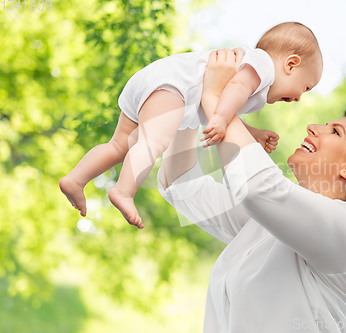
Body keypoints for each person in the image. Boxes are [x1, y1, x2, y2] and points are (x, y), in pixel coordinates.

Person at [157, 49, 346, 332]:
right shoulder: (269, 226)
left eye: (335, 132)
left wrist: (216, 98)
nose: (313, 127)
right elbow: (182, 184)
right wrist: (193, 96)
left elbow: (258, 186)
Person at [59, 22, 323, 229]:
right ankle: (124, 191)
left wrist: (252, 134)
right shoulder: (263, 65)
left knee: (118, 146)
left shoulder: (252, 86)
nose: (299, 97)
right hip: (173, 87)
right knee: (153, 143)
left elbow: (220, 103)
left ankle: (75, 179)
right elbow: (233, 91)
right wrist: (219, 119)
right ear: (291, 64)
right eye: (306, 87)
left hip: (152, 81)